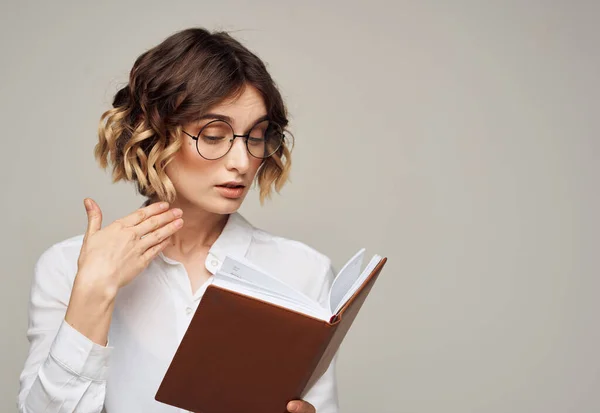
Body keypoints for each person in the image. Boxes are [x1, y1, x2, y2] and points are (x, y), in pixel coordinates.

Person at [18, 27, 338, 413]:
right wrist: (94, 291)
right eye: (214, 134)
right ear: (154, 134)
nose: (241, 162)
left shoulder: (303, 272)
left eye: (256, 136)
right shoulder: (67, 267)